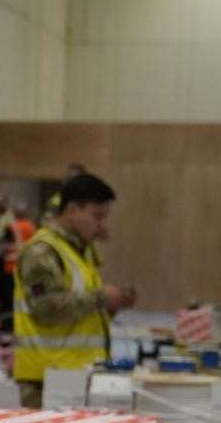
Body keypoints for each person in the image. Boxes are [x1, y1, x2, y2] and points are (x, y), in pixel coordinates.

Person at [12, 173, 136, 408]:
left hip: (78, 373)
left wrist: (110, 305)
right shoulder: (43, 252)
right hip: (47, 378)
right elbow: (45, 308)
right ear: (72, 210)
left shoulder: (80, 253)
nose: (102, 226)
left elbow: (78, 316)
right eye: (97, 217)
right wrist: (101, 297)